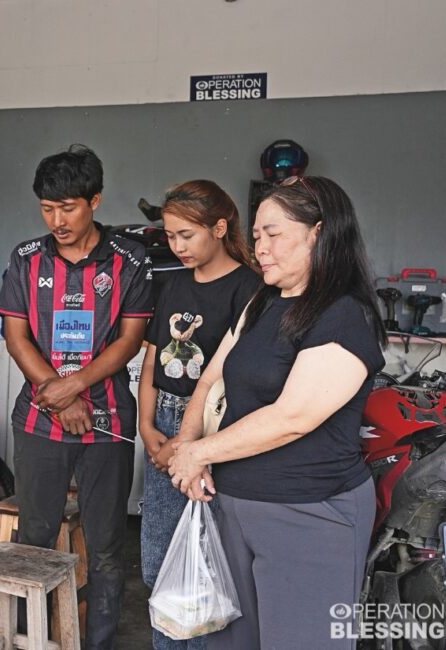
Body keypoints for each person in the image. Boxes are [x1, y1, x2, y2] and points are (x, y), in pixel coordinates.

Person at [168, 176, 386, 649]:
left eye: (273, 234)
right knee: (231, 642)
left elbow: (293, 417)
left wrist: (200, 452)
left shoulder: (344, 315)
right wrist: (187, 445)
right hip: (233, 509)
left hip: (309, 515)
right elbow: (210, 380)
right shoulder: (263, 301)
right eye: (257, 236)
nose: (260, 248)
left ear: (318, 233)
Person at [0, 144, 153, 648]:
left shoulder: (129, 260)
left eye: (68, 208)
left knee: (106, 546)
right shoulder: (26, 258)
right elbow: (16, 338)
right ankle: (34, 639)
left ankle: (98, 642)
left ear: (95, 201)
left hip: (107, 422)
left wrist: (75, 385)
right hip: (40, 421)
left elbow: (130, 340)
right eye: (47, 208)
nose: (57, 221)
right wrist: (60, 397)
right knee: (35, 540)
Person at [137, 180, 260, 650]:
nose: (178, 246)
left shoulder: (249, 289)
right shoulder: (173, 284)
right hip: (163, 425)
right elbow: (152, 361)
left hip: (214, 432)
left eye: (186, 235)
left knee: (207, 567)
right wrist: (147, 428)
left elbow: (234, 382)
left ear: (220, 228)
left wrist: (185, 444)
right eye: (170, 236)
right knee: (158, 563)